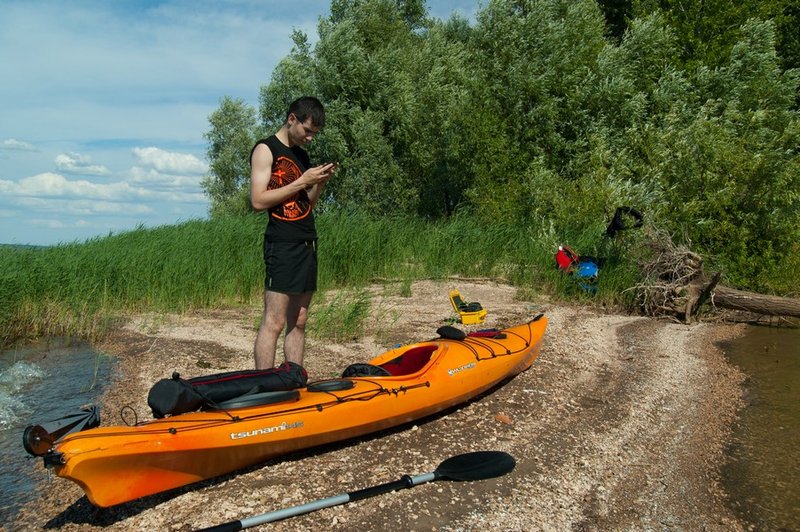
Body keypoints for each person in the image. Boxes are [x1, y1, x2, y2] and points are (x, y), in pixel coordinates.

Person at [249, 96, 336, 369]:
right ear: (291, 119)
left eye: (315, 133)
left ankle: (294, 380)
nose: (310, 138)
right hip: (282, 243)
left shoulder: (301, 155)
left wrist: (318, 184)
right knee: (274, 322)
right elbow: (258, 201)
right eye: (307, 131)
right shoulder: (266, 149)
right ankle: (264, 385)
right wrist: (302, 180)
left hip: (306, 242)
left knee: (299, 320)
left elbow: (305, 204)